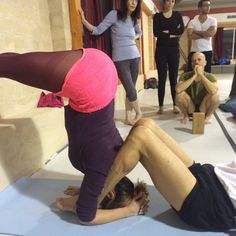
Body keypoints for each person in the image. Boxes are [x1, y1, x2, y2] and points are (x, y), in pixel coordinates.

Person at [0, 48, 148, 224]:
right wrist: (128, 211)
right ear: (109, 192)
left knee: (9, 62)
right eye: (100, 202)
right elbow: (86, 216)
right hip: (89, 81)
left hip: (101, 77)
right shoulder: (100, 171)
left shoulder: (111, 165)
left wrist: (86, 191)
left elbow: (97, 166)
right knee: (6, 65)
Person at [96, 118, 236, 231]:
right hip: (212, 175)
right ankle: (103, 183)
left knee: (140, 137)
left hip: (212, 203)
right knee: (145, 123)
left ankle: (95, 198)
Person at [79, 0, 142, 125]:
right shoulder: (114, 14)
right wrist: (83, 20)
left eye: (136, 1)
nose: (134, 3)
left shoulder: (134, 19)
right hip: (120, 59)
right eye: (131, 0)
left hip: (135, 56)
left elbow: (139, 32)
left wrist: (135, 37)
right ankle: (139, 112)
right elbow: (97, 30)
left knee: (131, 89)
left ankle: (128, 117)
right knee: (130, 89)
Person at [153, 0, 184, 114]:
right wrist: (172, 33)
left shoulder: (177, 15)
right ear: (164, 3)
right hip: (161, 50)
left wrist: (166, 32)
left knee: (173, 79)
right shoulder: (157, 16)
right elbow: (156, 32)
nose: (170, 3)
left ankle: (175, 105)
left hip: (174, 49)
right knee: (161, 78)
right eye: (168, 1)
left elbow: (181, 30)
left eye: (172, 1)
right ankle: (160, 106)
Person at [175, 52, 219, 124]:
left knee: (215, 96)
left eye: (199, 60)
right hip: (190, 107)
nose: (196, 62)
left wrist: (201, 75)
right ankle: (186, 115)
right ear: (191, 63)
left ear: (205, 62)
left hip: (203, 107)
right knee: (179, 95)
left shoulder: (210, 76)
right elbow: (178, 89)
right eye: (194, 60)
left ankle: (208, 116)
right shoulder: (185, 75)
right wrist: (194, 76)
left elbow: (213, 91)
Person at [187, 0, 217, 73]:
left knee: (206, 74)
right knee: (191, 74)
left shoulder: (213, 20)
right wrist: (206, 33)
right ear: (199, 8)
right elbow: (190, 36)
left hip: (207, 51)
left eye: (209, 5)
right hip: (194, 51)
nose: (208, 7)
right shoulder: (192, 21)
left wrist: (195, 31)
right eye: (206, 5)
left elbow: (211, 34)